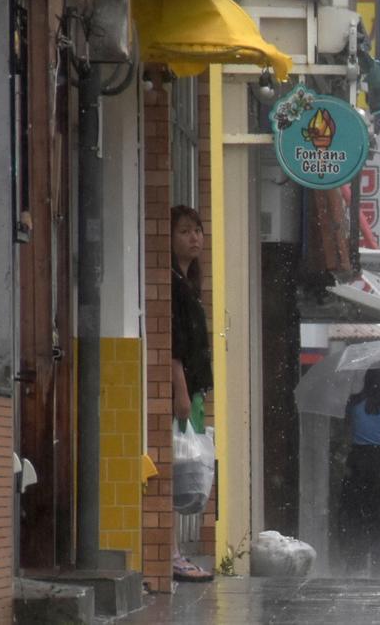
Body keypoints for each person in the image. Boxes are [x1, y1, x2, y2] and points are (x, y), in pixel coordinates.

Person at [170, 205, 213, 582]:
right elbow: (175, 348)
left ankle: (175, 551)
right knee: (173, 469)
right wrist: (181, 394)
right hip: (181, 396)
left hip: (193, 393)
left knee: (182, 468)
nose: (194, 237)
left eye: (197, 230)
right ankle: (170, 553)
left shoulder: (187, 285)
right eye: (184, 231)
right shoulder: (172, 287)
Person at [338, 365, 380, 576]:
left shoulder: (354, 404)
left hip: (357, 462)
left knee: (356, 511)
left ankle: (356, 560)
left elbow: (347, 433)